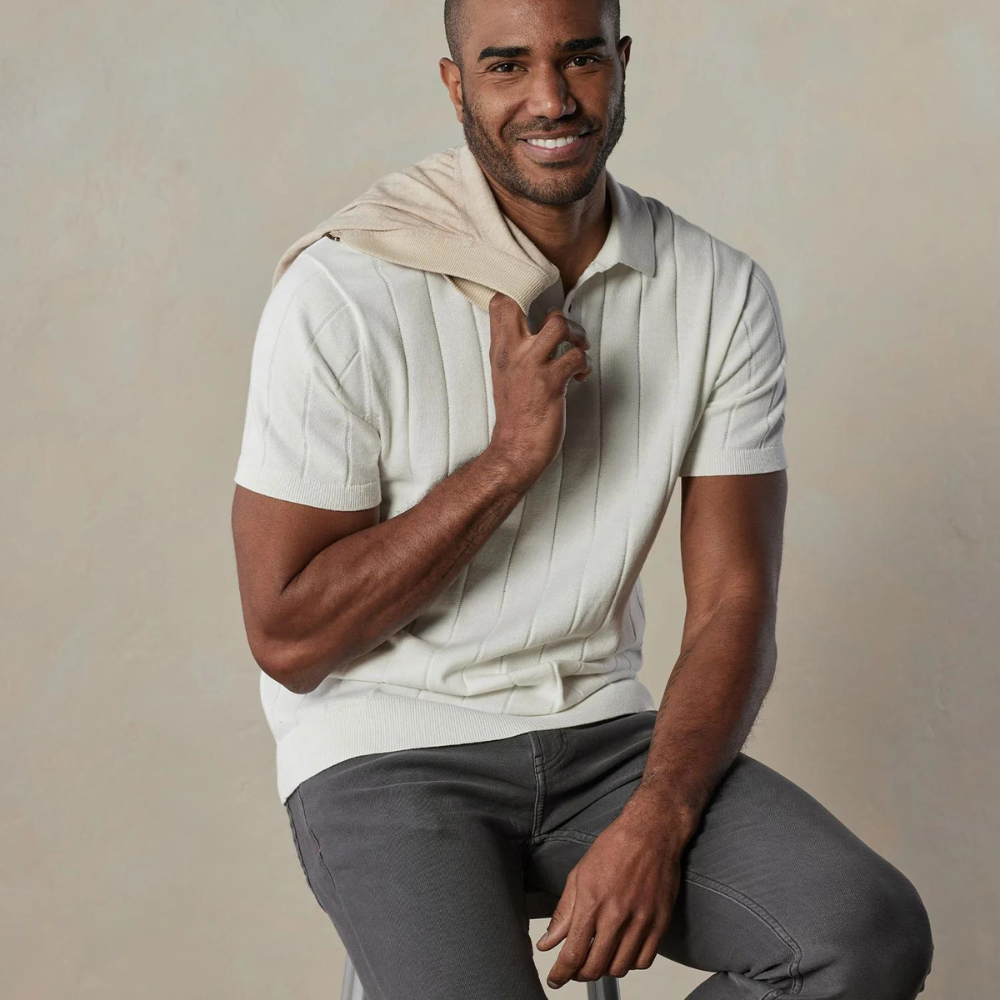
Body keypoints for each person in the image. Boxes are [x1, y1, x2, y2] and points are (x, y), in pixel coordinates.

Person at [230, 0, 934, 996]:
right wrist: (507, 462)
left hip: (603, 740)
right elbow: (288, 637)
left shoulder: (717, 290)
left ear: (622, 61)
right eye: (506, 66)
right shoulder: (344, 291)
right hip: (390, 755)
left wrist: (657, 817)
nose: (551, 98)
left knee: (861, 934)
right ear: (455, 84)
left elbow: (733, 601)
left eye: (581, 59)